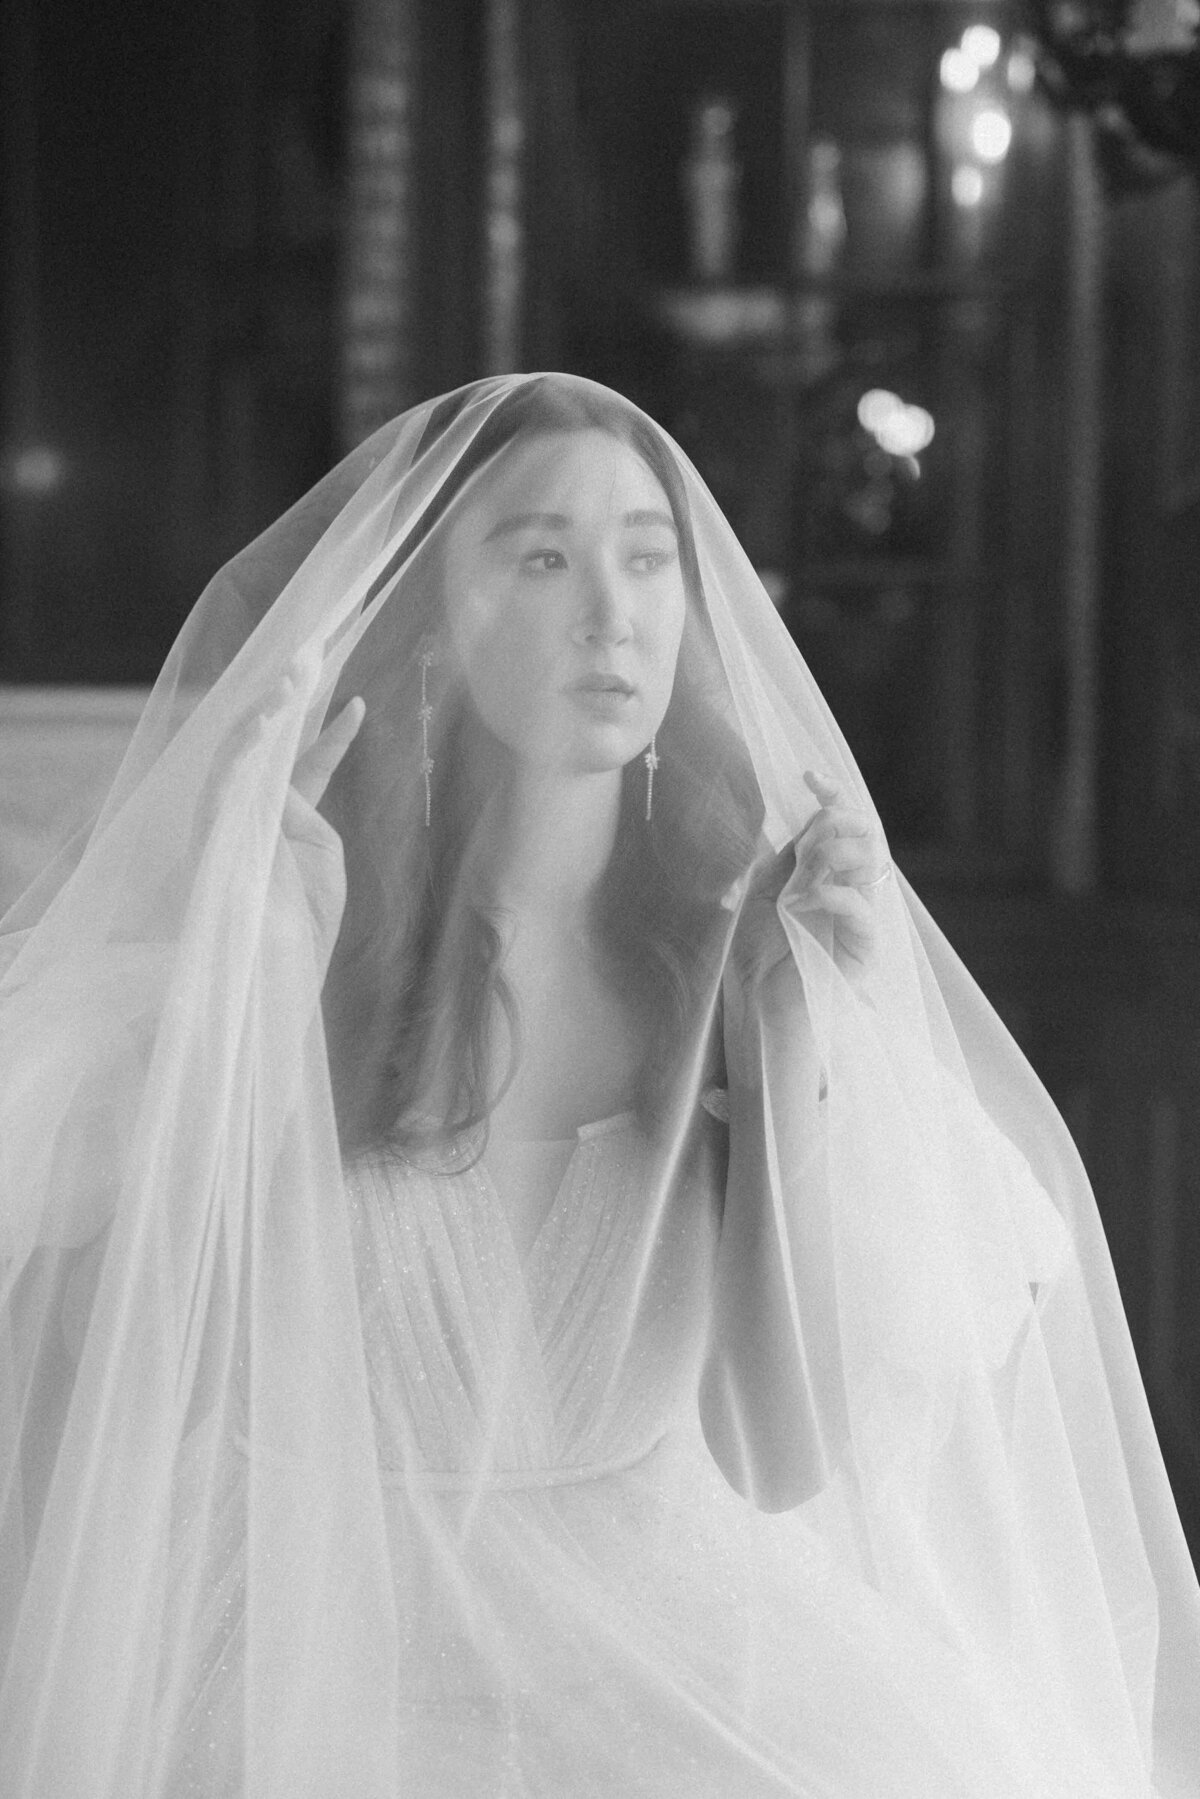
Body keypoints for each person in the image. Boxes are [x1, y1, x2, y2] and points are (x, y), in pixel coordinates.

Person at [1, 373, 1197, 1798]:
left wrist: (789, 1035)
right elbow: (182, 1378)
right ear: (435, 621)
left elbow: (776, 1453)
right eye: (542, 556)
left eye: (648, 558)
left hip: (664, 1649)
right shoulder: (298, 940)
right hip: (322, 1646)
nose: (610, 613)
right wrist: (253, 982)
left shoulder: (718, 957)